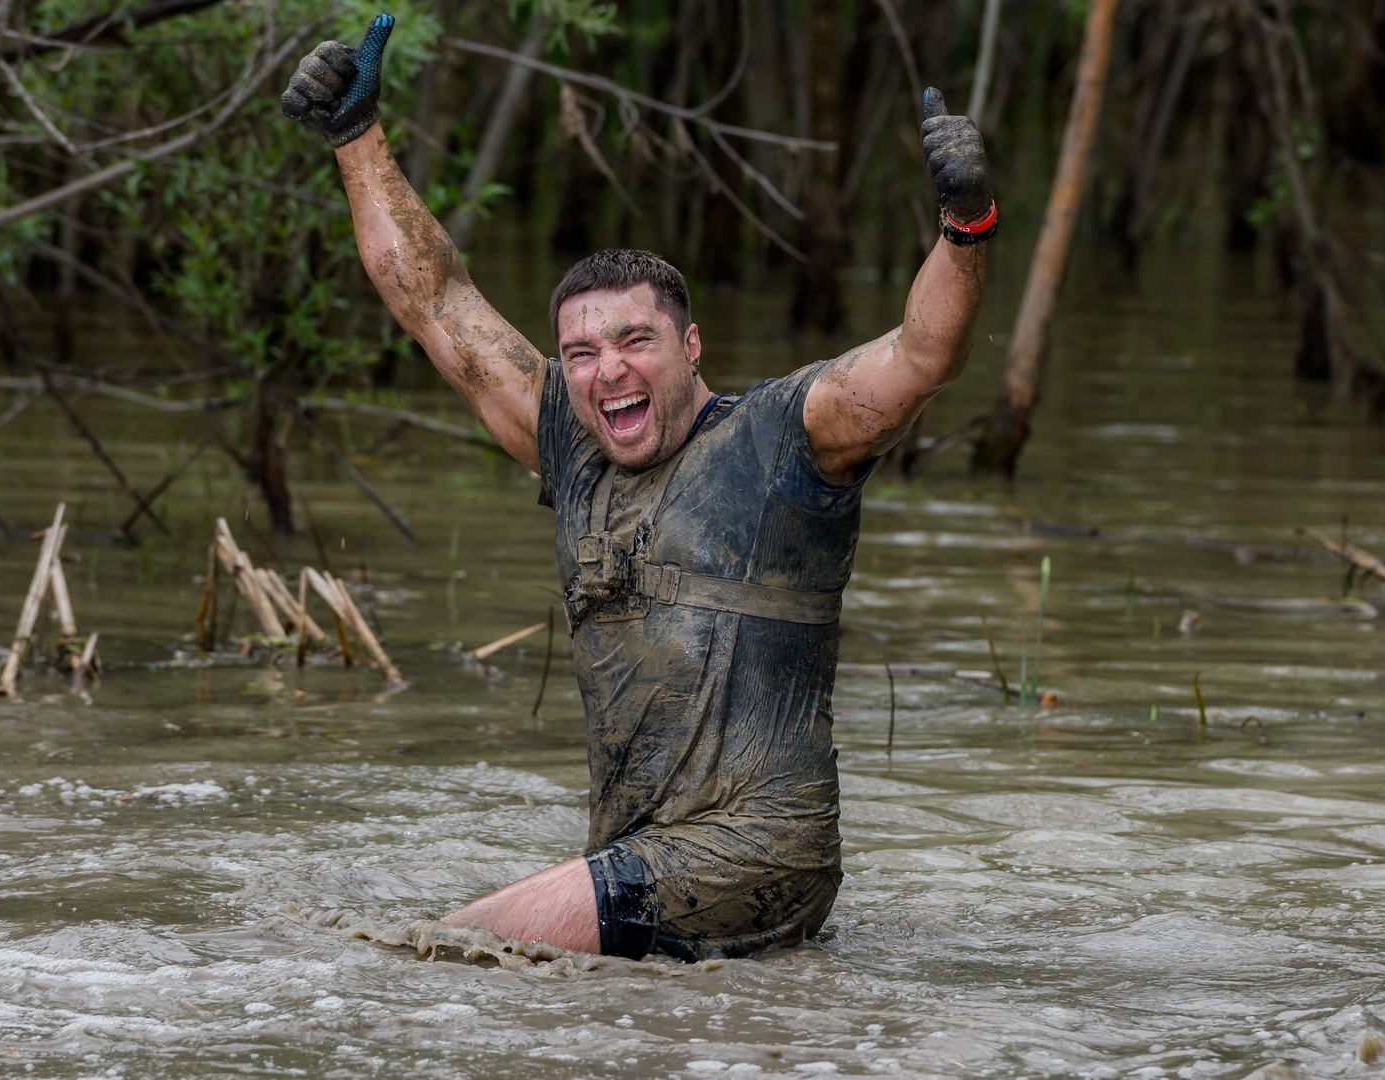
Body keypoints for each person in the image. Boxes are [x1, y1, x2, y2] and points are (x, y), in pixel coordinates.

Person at [282, 17, 994, 961]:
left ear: (688, 347)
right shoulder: (570, 447)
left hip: (757, 853)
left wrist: (967, 226)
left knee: (434, 955)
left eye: (633, 342)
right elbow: (433, 298)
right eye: (581, 351)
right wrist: (356, 136)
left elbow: (924, 354)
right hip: (642, 859)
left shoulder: (786, 438)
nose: (606, 369)